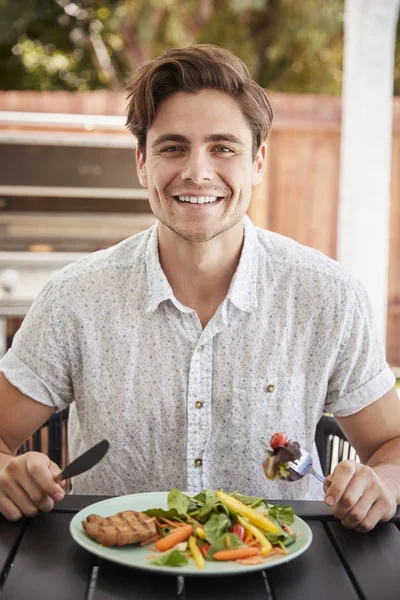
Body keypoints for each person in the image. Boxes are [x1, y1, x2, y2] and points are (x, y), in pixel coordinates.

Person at [0, 45, 399, 532]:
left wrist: (387, 481)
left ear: (257, 161)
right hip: (113, 571)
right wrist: (6, 472)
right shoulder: (74, 300)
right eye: (172, 147)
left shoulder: (328, 296)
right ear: (143, 162)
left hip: (282, 568)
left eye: (223, 148)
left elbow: (390, 445)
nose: (197, 171)